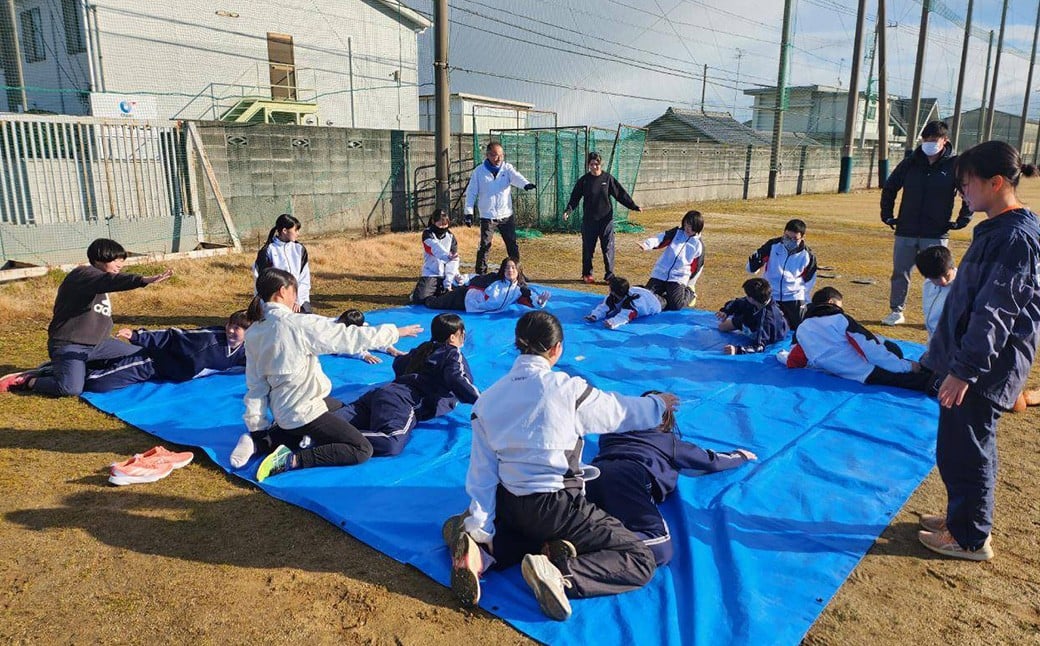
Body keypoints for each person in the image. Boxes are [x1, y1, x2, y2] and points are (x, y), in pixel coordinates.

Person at [445, 311, 679, 621]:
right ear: (556, 349)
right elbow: (619, 412)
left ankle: (482, 552)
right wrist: (659, 404)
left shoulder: (487, 401)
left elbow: (482, 474)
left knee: (520, 530)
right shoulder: (567, 390)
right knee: (639, 558)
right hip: (558, 507)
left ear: (517, 345)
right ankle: (559, 572)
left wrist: (482, 526)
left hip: (511, 503)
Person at [920, 140, 1040, 561]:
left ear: (995, 183)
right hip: (970, 362)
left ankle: (970, 536)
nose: (962, 193)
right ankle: (961, 518)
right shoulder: (999, 229)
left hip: (984, 368)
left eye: (966, 184)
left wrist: (965, 370)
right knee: (956, 447)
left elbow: (996, 312)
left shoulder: (1015, 239)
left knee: (968, 449)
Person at [228, 268, 422, 482]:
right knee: (361, 449)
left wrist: (257, 426)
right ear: (283, 291)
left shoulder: (256, 330)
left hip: (286, 408)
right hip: (302, 411)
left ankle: (259, 441)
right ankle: (293, 459)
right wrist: (395, 332)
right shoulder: (296, 324)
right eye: (295, 291)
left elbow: (255, 385)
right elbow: (346, 337)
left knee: (343, 409)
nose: (297, 296)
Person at [584, 391, 756, 566]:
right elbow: (710, 461)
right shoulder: (667, 442)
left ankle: (568, 537)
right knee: (659, 545)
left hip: (592, 475)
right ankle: (583, 549)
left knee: (583, 516)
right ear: (665, 421)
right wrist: (739, 456)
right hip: (630, 476)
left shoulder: (610, 434)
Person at [0, 238, 173, 395]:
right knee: (70, 389)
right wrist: (142, 280)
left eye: (121, 259)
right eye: (115, 259)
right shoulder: (82, 275)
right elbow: (111, 281)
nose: (120, 263)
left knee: (143, 356)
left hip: (101, 345)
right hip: (70, 346)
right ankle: (28, 381)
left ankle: (61, 369)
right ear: (99, 258)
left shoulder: (100, 281)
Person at [330, 313, 480, 457]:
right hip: (401, 401)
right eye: (462, 334)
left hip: (382, 393)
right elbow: (457, 378)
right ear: (453, 337)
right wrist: (482, 401)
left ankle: (315, 430)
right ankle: (327, 436)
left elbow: (400, 363)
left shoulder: (423, 348)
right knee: (391, 441)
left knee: (328, 423)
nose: (464, 338)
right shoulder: (452, 353)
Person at [879, 120, 973, 326]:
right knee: (900, 272)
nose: (929, 143)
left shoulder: (954, 165)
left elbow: (967, 191)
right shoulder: (910, 162)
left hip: (936, 231)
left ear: (944, 141)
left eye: (934, 140)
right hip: (906, 228)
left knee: (941, 274)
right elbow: (890, 187)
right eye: (926, 139)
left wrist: (962, 219)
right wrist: (887, 214)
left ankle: (944, 314)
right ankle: (896, 310)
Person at [782, 287, 936, 393]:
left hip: (839, 370)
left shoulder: (802, 328)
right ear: (831, 303)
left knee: (893, 362)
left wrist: (781, 356)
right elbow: (869, 347)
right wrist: (907, 366)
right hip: (864, 370)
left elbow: (795, 358)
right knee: (901, 369)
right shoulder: (839, 320)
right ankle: (936, 380)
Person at [78, 310, 252, 392]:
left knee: (108, 365)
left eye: (237, 329)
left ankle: (86, 365)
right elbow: (172, 336)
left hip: (172, 374)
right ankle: (68, 372)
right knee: (98, 383)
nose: (230, 330)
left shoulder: (245, 349)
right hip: (154, 364)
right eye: (230, 325)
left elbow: (257, 361)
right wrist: (137, 335)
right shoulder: (207, 338)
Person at [562, 152, 641, 284]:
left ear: (601, 163)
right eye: (592, 164)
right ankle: (587, 274)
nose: (594, 166)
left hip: (606, 221)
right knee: (588, 248)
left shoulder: (608, 178)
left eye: (597, 164)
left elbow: (620, 194)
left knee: (608, 248)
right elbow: (575, 197)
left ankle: (609, 275)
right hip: (589, 221)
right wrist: (568, 210)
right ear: (588, 165)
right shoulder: (584, 180)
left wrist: (633, 206)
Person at [464, 142, 536, 275]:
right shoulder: (479, 171)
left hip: (506, 215)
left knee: (512, 245)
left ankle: (517, 273)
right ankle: (481, 274)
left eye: (501, 156)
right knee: (485, 245)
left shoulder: (507, 168)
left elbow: (516, 177)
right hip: (488, 216)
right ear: (488, 155)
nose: (498, 159)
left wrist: (526, 184)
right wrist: (468, 212)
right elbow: (471, 192)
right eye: (495, 155)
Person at [746, 218, 817, 330]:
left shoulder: (807, 255)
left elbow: (809, 280)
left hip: (794, 296)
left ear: (802, 238)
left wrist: (804, 298)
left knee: (800, 329)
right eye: (787, 237)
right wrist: (753, 264)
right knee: (762, 325)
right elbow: (751, 268)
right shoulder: (772, 245)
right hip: (771, 294)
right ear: (783, 233)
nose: (790, 241)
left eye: (795, 239)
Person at [423, 257, 550, 313]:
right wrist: (461, 279)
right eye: (507, 268)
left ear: (518, 271)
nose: (510, 271)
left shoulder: (520, 289)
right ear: (502, 270)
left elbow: (532, 300)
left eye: (513, 268)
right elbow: (476, 279)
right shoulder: (494, 279)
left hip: (474, 308)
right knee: (434, 304)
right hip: (465, 298)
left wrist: (540, 302)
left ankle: (442, 289)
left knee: (443, 299)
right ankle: (423, 295)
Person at [639, 210, 705, 311]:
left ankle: (690, 293)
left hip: (678, 277)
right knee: (647, 298)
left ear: (698, 227)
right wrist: (647, 245)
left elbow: (697, 267)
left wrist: (690, 282)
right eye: (686, 224)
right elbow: (661, 239)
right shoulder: (676, 233)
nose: (688, 228)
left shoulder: (698, 245)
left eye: (691, 226)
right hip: (660, 273)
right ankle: (665, 298)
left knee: (676, 306)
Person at [253, 214, 312, 314]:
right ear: (284, 231)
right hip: (277, 300)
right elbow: (263, 281)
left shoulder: (299, 249)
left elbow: (304, 277)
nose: (298, 234)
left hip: (298, 300)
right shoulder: (267, 251)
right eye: (296, 230)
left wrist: (298, 300)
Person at [715, 277, 789, 355]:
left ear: (752, 298)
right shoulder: (759, 299)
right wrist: (725, 311)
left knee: (757, 338)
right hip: (751, 320)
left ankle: (750, 331)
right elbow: (736, 302)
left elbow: (760, 347)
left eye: (747, 295)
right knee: (722, 326)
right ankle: (746, 328)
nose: (746, 297)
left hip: (768, 333)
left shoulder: (766, 319)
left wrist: (737, 350)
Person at [409, 209, 464, 305]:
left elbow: (454, 260)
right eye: (440, 224)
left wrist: (454, 274)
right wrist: (447, 256)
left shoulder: (451, 236)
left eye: (445, 224)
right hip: (432, 272)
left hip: (448, 273)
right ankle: (418, 290)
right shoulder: (427, 234)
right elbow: (434, 248)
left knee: (460, 293)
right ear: (433, 222)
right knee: (419, 299)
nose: (442, 227)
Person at [584, 276, 664, 330]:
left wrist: (613, 322)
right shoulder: (612, 297)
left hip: (654, 302)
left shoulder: (633, 304)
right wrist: (594, 316)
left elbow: (625, 317)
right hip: (640, 290)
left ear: (613, 291)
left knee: (671, 303)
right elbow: (604, 307)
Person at [335, 309, 404, 365]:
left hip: (357, 331)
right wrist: (364, 355)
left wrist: (390, 349)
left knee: (367, 338)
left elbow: (373, 338)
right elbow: (342, 348)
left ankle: (390, 349)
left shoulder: (362, 329)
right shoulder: (334, 331)